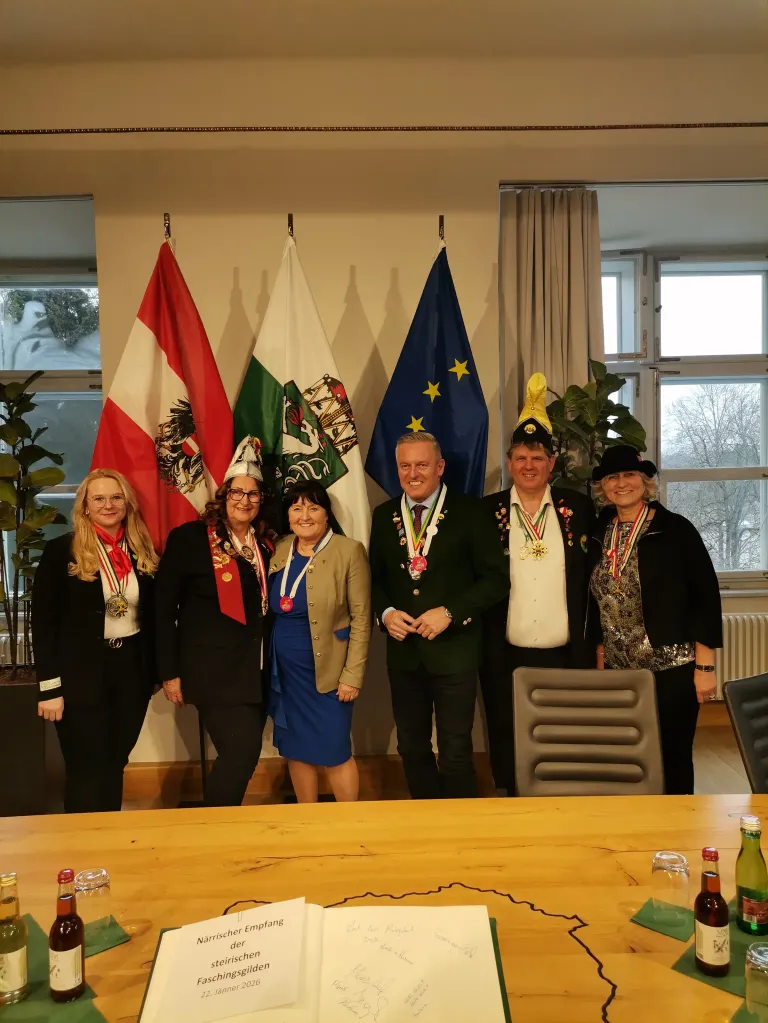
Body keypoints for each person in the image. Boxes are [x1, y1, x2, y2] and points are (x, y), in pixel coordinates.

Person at [369, 432, 510, 799]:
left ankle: (460, 834)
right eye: (405, 465)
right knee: (411, 748)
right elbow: (375, 580)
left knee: (455, 751)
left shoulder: (470, 512)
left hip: (454, 652)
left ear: (440, 467)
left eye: (421, 465)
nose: (413, 473)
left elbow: (496, 580)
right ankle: (424, 824)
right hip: (404, 656)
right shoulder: (384, 516)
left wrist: (451, 612)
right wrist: (385, 613)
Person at [480, 373, 595, 794]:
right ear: (510, 463)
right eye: (521, 458)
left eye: (538, 457)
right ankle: (510, 798)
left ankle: (560, 797)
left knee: (563, 733)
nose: (529, 466)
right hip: (504, 651)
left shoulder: (578, 509)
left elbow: (595, 579)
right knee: (505, 729)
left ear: (551, 463)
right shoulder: (486, 512)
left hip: (565, 651)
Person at [587, 443, 722, 795]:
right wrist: (600, 653)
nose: (621, 484)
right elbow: (597, 599)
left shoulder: (675, 530)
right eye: (612, 477)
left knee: (673, 757)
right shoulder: (599, 532)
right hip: (620, 669)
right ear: (603, 487)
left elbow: (705, 597)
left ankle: (677, 832)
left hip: (671, 667)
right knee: (631, 758)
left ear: (646, 481)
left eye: (629, 475)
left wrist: (705, 668)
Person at [33, 468, 159, 812]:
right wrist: (49, 688)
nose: (108, 505)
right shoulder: (62, 551)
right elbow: (42, 624)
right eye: (99, 498)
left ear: (127, 503)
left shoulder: (141, 550)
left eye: (116, 497)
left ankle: (108, 839)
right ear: (85, 506)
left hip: (131, 670)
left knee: (115, 762)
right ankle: (81, 849)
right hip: (79, 675)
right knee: (86, 768)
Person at [155, 437, 271, 807]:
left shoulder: (266, 543)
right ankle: (211, 825)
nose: (245, 501)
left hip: (257, 670)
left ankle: (221, 825)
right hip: (211, 671)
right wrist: (169, 672)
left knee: (244, 754)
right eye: (238, 492)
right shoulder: (189, 539)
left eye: (254, 495)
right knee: (241, 753)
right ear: (223, 495)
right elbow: (161, 609)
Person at [267, 480, 370, 802]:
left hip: (329, 672)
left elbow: (362, 618)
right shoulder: (280, 547)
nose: (305, 515)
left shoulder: (348, 550)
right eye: (297, 508)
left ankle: (349, 824)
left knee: (335, 748)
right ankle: (307, 819)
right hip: (285, 671)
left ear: (327, 514)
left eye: (313, 507)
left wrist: (352, 676)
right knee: (296, 747)